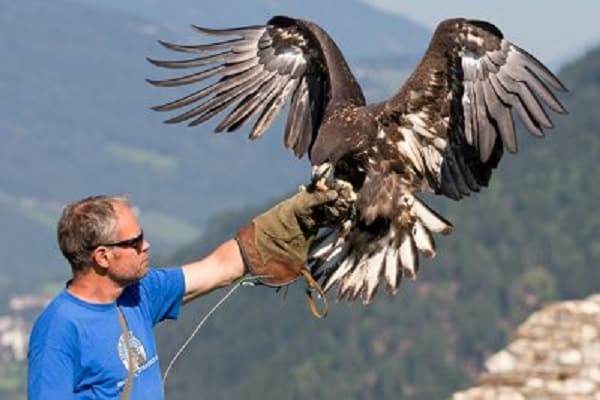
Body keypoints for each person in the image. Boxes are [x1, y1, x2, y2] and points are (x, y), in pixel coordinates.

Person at [27, 188, 348, 399]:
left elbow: (219, 269)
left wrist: (292, 217)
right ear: (102, 256)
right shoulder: (59, 329)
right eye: (135, 242)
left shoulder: (138, 293)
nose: (146, 246)